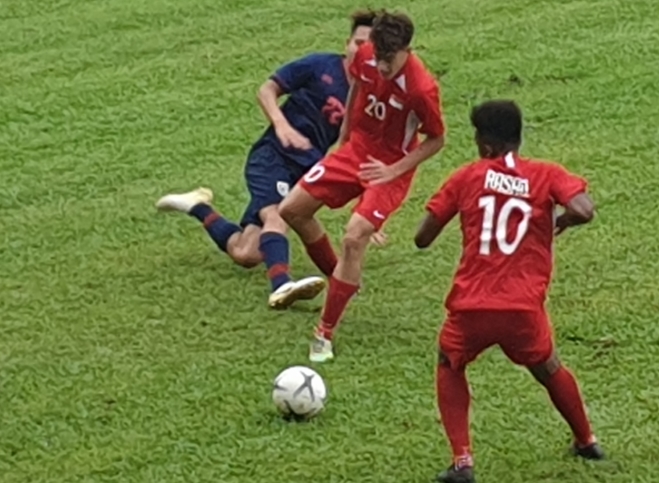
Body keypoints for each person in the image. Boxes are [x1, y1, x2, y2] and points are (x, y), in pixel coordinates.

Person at [414, 100, 605, 483]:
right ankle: (586, 440)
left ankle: (462, 461)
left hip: (472, 306)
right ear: (518, 138)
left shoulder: (467, 176)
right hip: (523, 308)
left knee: (450, 363)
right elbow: (584, 209)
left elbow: (422, 237)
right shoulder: (545, 174)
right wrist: (560, 220)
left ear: (484, 143)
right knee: (547, 366)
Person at [154, 10, 382, 310]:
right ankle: (283, 285)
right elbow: (267, 89)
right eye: (357, 42)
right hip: (271, 156)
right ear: (347, 42)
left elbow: (354, 148)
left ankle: (198, 206)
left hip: (304, 169)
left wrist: (368, 207)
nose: (360, 50)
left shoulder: (370, 93)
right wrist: (281, 125)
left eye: (369, 46)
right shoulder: (319, 66)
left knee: (246, 253)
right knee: (280, 216)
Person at [278, 9, 446, 361]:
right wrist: (344, 137)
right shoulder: (367, 54)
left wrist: (393, 170)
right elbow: (356, 86)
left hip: (389, 165)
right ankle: (340, 277)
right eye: (379, 57)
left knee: (354, 236)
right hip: (356, 149)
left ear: (407, 49)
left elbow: (436, 139)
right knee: (292, 209)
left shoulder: (421, 88)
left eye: (390, 59)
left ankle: (324, 332)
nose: (382, 66)